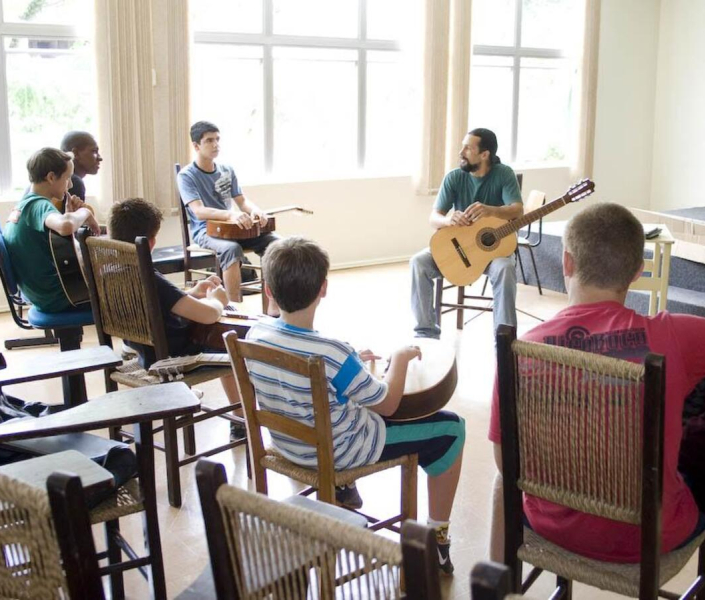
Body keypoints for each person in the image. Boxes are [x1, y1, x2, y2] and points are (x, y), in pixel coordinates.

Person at [487, 203, 705, 600]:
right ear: (638, 271)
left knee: (502, 479)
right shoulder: (675, 337)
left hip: (549, 525)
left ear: (567, 262)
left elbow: (505, 462)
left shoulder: (521, 348)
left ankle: (494, 590)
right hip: (648, 537)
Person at [245, 237, 466, 574]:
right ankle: (437, 539)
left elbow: (307, 380)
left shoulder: (255, 335)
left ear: (268, 291)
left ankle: (344, 491)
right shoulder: (332, 353)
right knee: (451, 428)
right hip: (339, 451)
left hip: (288, 445)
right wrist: (399, 359)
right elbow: (388, 404)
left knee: (345, 405)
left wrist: (352, 363)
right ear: (324, 289)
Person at [106, 197, 248, 440]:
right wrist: (218, 299)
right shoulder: (149, 275)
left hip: (141, 350)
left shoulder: (111, 271)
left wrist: (194, 293)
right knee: (231, 348)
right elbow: (208, 314)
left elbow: (161, 304)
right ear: (151, 242)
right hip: (171, 356)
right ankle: (241, 420)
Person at [410, 128, 523, 339]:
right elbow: (433, 217)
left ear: (484, 154)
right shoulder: (454, 177)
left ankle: (505, 338)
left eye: (468, 148)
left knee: (506, 268)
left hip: (492, 254)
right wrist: (448, 220)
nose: (461, 152)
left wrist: (492, 210)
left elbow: (517, 209)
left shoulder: (504, 174)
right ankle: (426, 333)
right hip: (459, 249)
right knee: (419, 262)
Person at [176, 121, 277, 302]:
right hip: (205, 231)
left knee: (276, 244)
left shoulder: (227, 170)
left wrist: (256, 211)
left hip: (233, 228)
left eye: (217, 139)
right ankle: (234, 306)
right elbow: (198, 211)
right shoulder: (186, 175)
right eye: (209, 140)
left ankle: (274, 303)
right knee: (231, 249)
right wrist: (231, 214)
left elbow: (242, 201)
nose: (215, 144)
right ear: (196, 146)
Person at [4, 148, 101, 314]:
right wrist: (85, 213)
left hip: (42, 295)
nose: (70, 184)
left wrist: (69, 215)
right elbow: (65, 226)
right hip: (59, 297)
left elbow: (58, 235)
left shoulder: (23, 205)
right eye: (67, 178)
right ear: (50, 177)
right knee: (131, 281)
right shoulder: (38, 205)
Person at [60, 130, 103, 200]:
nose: (100, 158)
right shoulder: (74, 183)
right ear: (76, 153)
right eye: (94, 151)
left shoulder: (59, 182)